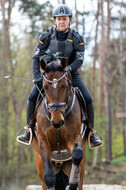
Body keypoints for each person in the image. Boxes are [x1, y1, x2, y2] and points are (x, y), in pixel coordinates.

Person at [17, 4, 102, 148]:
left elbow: (80, 60)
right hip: (49, 74)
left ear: (69, 20)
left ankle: (90, 133)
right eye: (59, 19)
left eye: (64, 19)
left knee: (88, 99)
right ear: (54, 21)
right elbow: (36, 58)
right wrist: (37, 76)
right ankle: (29, 129)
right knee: (32, 97)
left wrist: (67, 69)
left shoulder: (77, 38)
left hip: (70, 73)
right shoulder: (45, 36)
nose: (61, 21)